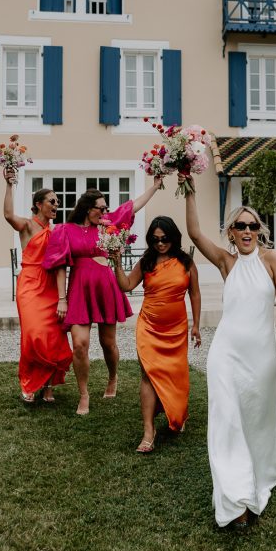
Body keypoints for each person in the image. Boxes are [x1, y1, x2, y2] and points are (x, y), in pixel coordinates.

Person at [182, 175, 276, 530]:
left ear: (259, 229)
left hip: (262, 358)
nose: (246, 230)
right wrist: (188, 185)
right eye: (239, 226)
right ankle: (237, 500)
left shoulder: (274, 261)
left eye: (252, 225)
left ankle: (257, 476)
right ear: (231, 232)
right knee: (225, 420)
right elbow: (194, 233)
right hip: (226, 353)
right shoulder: (226, 262)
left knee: (256, 422)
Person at [43, 178, 162, 415]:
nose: (106, 211)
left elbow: (132, 206)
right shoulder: (65, 230)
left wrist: (155, 186)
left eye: (107, 208)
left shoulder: (108, 226)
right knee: (79, 344)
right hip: (79, 290)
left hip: (106, 287)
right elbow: (58, 266)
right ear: (89, 208)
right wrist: (62, 298)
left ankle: (113, 377)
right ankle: (84, 394)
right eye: (102, 208)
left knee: (107, 343)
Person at [112, 216, 201, 454]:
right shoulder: (147, 261)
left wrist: (196, 325)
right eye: (155, 239)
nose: (160, 244)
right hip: (149, 326)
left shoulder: (186, 262)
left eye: (165, 239)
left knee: (176, 375)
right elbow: (126, 286)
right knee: (148, 375)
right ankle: (148, 432)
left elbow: (195, 294)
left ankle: (175, 412)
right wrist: (117, 263)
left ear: (173, 238)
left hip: (177, 328)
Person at [3, 172, 72, 403]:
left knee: (53, 336)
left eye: (57, 202)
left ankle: (49, 386)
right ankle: (29, 383)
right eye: (52, 201)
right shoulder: (27, 225)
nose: (56, 205)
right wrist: (9, 185)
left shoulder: (57, 232)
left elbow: (61, 265)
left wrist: (63, 297)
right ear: (38, 204)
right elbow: (7, 215)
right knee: (33, 335)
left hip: (51, 286)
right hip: (31, 284)